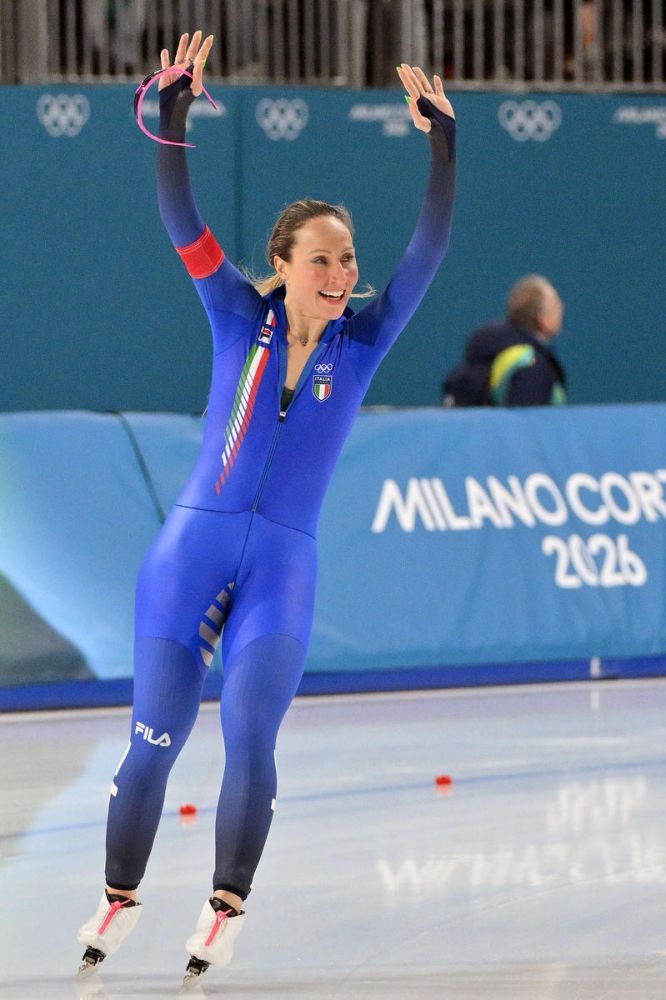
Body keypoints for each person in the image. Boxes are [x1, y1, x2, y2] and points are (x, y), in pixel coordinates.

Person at [76, 29, 456, 986]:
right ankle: (118, 895)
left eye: (348, 260)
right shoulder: (232, 314)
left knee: (250, 731)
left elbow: (428, 249)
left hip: (283, 567)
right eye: (322, 259)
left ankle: (224, 909)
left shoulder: (363, 344)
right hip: (189, 557)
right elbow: (179, 215)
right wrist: (171, 115)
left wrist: (443, 146)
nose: (341, 274)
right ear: (284, 264)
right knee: (153, 742)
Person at [442, 274, 566, 408]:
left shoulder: (492, 351)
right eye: (556, 304)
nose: (562, 307)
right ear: (542, 318)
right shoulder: (530, 364)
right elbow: (527, 419)